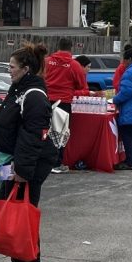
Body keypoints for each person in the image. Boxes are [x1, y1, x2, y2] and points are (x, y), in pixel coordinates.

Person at [0, 42, 58, 262]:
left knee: (24, 215)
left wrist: (22, 171)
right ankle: (17, 261)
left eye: (12, 67)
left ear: (26, 68)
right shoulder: (19, 89)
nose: (9, 70)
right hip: (14, 160)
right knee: (10, 205)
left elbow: (34, 133)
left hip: (28, 163)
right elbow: (14, 121)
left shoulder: (34, 94)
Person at [43, 38, 86, 174]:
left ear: (58, 46)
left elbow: (39, 77)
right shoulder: (74, 65)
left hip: (45, 100)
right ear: (71, 48)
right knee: (60, 134)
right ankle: (56, 163)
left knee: (44, 132)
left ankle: (44, 161)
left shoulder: (47, 61)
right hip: (63, 103)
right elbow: (80, 84)